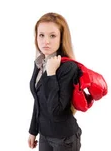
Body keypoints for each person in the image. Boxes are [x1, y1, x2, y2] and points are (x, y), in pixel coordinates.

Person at [27, 12, 82, 151]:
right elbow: (38, 100)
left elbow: (56, 110)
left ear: (61, 38)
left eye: (52, 36)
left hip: (64, 138)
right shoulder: (40, 63)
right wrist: (33, 131)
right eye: (41, 35)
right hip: (45, 135)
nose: (46, 41)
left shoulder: (68, 67)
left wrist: (51, 74)